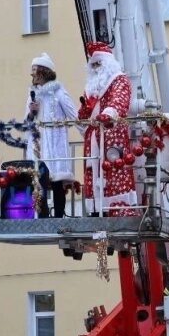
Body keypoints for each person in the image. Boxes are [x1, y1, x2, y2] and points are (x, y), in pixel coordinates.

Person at [78, 41, 137, 217]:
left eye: (99, 63)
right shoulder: (89, 89)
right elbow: (83, 115)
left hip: (112, 136)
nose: (96, 68)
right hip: (94, 138)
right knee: (93, 171)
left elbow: (119, 100)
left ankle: (119, 207)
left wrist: (109, 113)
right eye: (93, 65)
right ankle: (95, 209)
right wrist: (84, 111)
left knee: (114, 171)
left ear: (108, 63)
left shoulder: (119, 80)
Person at [26, 53, 78, 218]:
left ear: (43, 71)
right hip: (38, 145)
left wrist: (88, 132)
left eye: (35, 70)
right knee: (39, 181)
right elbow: (26, 121)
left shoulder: (58, 93)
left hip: (55, 145)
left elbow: (73, 114)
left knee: (57, 182)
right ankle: (42, 217)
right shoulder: (33, 94)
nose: (32, 74)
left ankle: (58, 217)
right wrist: (31, 112)